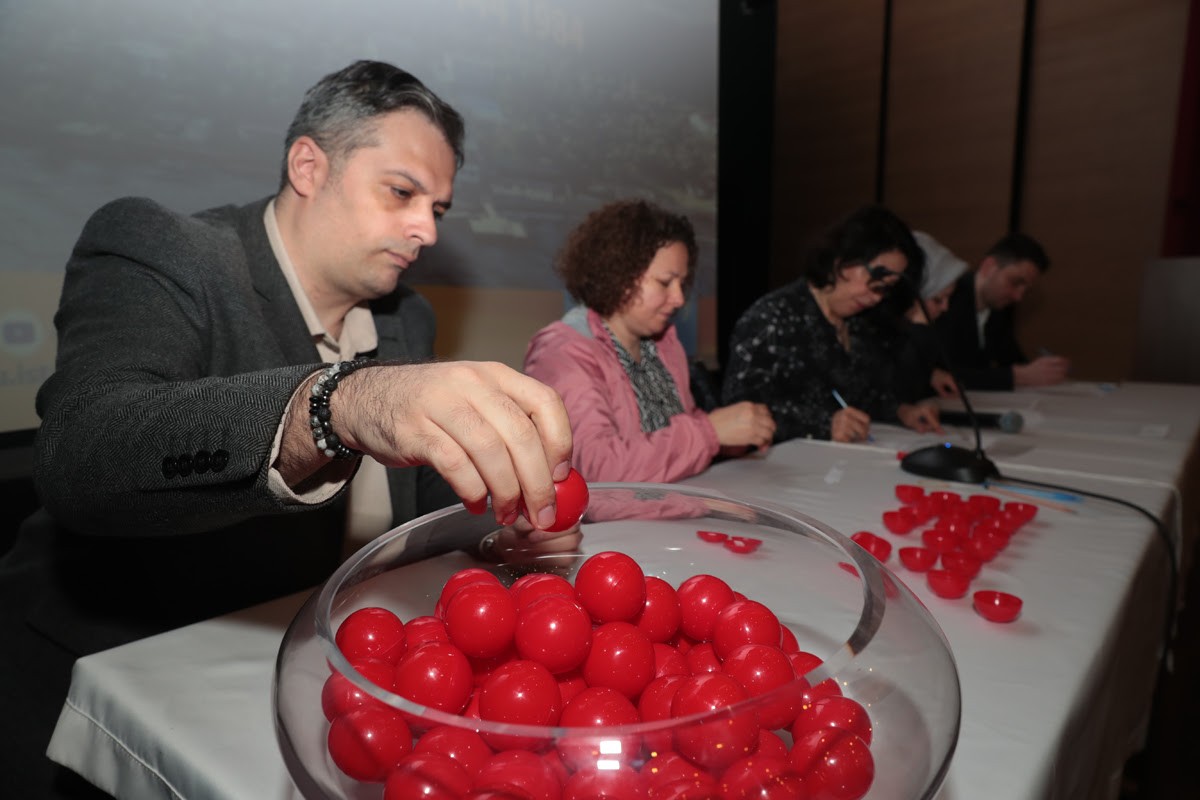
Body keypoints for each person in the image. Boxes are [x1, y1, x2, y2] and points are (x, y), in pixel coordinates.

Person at [0, 61, 580, 798]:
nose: (425, 231)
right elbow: (82, 452)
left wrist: (505, 533)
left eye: (438, 209)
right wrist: (336, 404)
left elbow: (431, 511)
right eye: (402, 193)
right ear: (309, 165)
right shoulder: (161, 247)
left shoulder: (410, 318)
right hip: (104, 695)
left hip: (310, 684)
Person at [523, 199, 775, 483]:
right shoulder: (563, 353)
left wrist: (731, 435)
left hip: (666, 512)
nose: (679, 299)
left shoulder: (663, 343)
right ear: (619, 276)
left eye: (682, 284)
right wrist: (710, 433)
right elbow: (596, 473)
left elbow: (676, 438)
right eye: (666, 283)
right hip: (604, 526)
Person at [722, 205, 943, 444]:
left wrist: (901, 411)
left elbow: (864, 395)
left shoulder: (860, 322)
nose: (878, 296)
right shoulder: (772, 319)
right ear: (843, 259)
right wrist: (824, 424)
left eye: (887, 288)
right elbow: (738, 413)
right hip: (778, 468)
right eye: (876, 281)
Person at [933, 231, 1070, 390]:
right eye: (1015, 282)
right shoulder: (946, 300)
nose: (1018, 297)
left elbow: (1013, 361)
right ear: (988, 267)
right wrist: (1017, 376)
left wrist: (1045, 370)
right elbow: (941, 373)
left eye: (1025, 290)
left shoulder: (997, 309)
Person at [893, 230, 970, 403]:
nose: (945, 307)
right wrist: (920, 328)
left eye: (948, 298)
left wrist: (931, 374)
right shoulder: (874, 325)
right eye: (937, 299)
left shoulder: (932, 325)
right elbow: (898, 391)